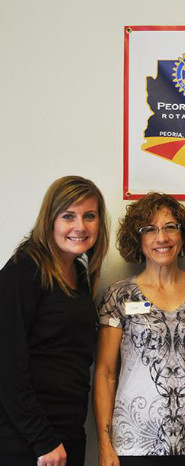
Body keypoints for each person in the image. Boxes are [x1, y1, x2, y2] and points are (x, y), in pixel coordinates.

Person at [94, 192, 185, 466]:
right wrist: (104, 445)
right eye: (150, 229)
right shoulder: (119, 296)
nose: (162, 238)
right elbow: (105, 373)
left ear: (182, 235)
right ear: (138, 238)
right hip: (133, 443)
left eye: (170, 227)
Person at [0, 175, 109, 466]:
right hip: (27, 440)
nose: (80, 227)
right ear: (50, 220)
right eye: (68, 216)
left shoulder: (80, 274)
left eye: (90, 216)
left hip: (67, 432)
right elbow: (7, 365)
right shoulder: (25, 269)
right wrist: (42, 439)